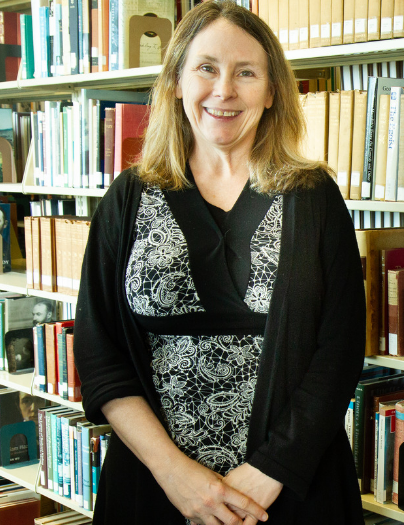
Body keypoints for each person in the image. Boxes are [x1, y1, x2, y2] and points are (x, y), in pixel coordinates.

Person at [74, 2, 366, 524]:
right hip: (154, 489)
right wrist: (176, 476)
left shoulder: (314, 196)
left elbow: (339, 350)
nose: (224, 90)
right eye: (206, 68)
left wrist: (268, 472)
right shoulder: (128, 197)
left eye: (246, 73)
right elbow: (100, 353)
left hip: (293, 491)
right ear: (176, 83)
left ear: (273, 91)